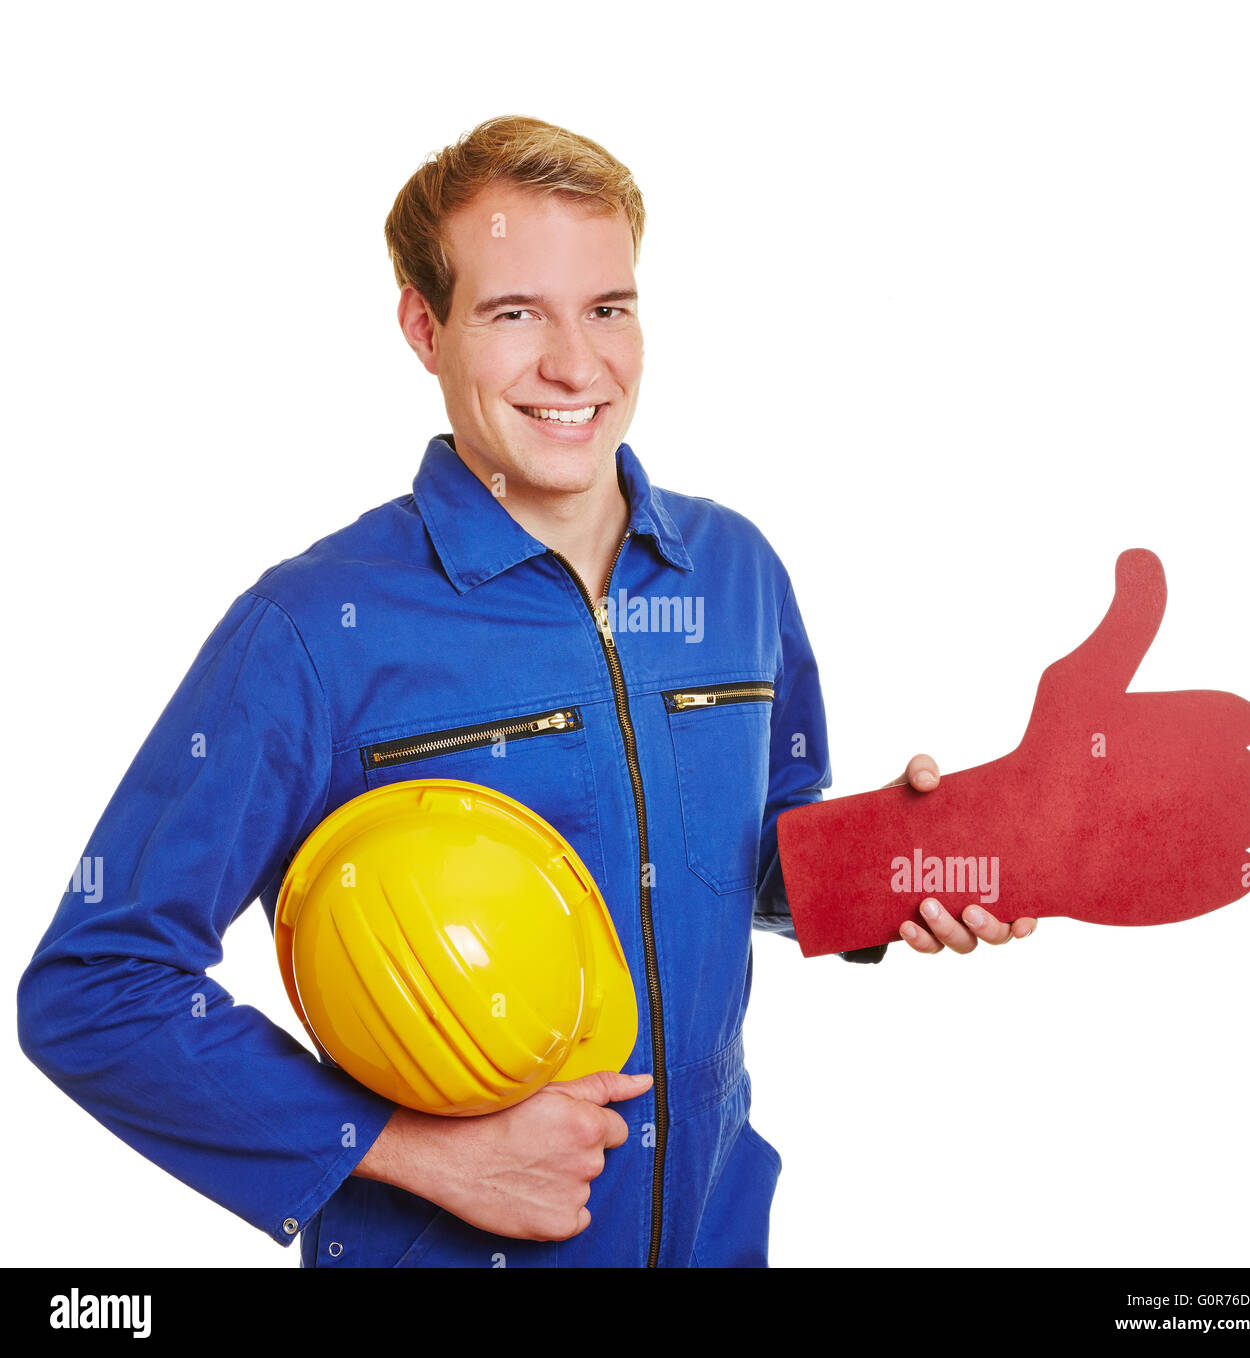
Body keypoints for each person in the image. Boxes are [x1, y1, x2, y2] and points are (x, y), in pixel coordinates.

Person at [17, 116, 1035, 1269]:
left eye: (608, 308)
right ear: (423, 324)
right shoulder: (311, 630)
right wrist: (408, 1147)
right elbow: (97, 987)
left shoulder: (734, 572)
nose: (575, 365)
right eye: (515, 315)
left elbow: (753, 855)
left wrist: (906, 867)